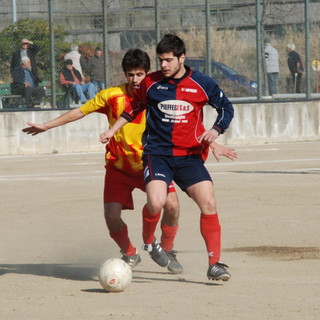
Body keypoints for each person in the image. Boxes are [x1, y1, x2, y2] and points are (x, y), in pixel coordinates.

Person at [22, 49, 184, 273]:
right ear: (124, 75)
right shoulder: (111, 95)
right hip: (118, 167)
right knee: (111, 216)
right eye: (130, 75)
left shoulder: (160, 95)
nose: (135, 80)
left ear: (148, 73)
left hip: (151, 164)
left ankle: (167, 250)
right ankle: (129, 253)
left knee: (173, 206)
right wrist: (47, 126)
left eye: (139, 74)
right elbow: (80, 111)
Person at [99, 34, 235, 282]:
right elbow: (134, 108)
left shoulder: (202, 83)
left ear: (182, 58)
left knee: (209, 204)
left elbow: (226, 108)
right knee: (156, 202)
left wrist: (215, 131)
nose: (163, 65)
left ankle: (214, 264)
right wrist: (112, 130)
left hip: (190, 157)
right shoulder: (151, 83)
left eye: (168, 60)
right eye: (161, 60)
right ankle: (150, 242)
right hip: (158, 154)